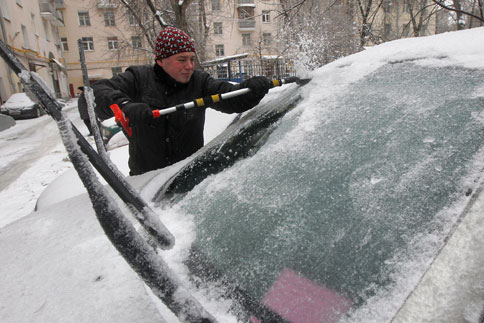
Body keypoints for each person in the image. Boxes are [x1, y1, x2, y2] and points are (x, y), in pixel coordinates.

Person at [93, 26, 272, 175]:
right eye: (182, 60)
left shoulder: (200, 82)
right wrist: (125, 105)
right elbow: (98, 93)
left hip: (190, 179)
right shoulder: (139, 79)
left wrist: (251, 89)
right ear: (161, 60)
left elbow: (231, 98)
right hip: (147, 186)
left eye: (192, 59)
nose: (189, 66)